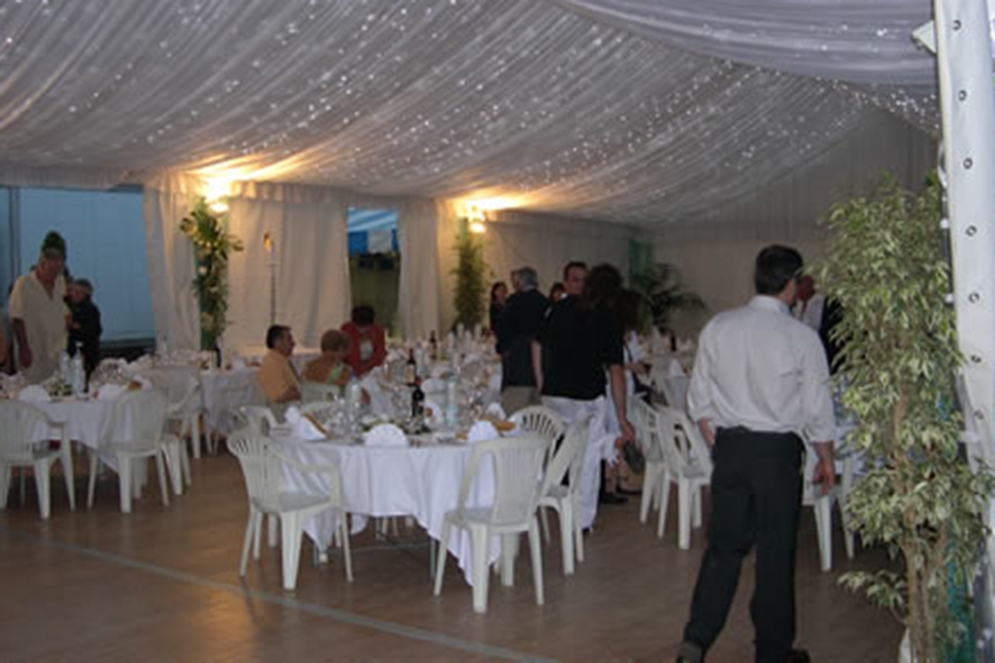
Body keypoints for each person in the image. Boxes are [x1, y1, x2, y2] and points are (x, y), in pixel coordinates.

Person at [677, 245, 835, 663]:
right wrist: (826, 456)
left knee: (723, 550)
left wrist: (714, 432)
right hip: (777, 453)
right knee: (775, 555)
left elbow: (698, 397)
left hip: (731, 449)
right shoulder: (801, 336)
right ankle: (772, 651)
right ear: (794, 284)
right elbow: (817, 406)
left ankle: (695, 641)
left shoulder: (720, 326)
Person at [533, 261, 635, 528]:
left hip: (554, 394)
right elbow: (615, 372)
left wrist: (541, 379)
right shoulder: (608, 318)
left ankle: (547, 505)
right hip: (586, 397)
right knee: (587, 459)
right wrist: (622, 418)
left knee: (558, 454)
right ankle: (581, 520)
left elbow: (537, 342)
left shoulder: (558, 308)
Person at [9, 233, 71, 383]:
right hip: (33, 351)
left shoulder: (60, 282)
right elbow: (16, 318)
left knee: (58, 391)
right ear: (42, 263)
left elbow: (63, 308)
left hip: (56, 351)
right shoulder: (23, 284)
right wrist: (24, 348)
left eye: (59, 267)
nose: (55, 273)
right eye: (52, 268)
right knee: (33, 394)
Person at [496, 266, 548, 415]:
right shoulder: (545, 302)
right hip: (541, 366)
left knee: (514, 415)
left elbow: (502, 331)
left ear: (519, 283)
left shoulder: (513, 302)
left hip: (516, 366)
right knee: (538, 415)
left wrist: (501, 350)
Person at [257, 324, 301, 404]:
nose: (293, 343)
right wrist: (302, 392)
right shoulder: (272, 363)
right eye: (289, 339)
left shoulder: (282, 360)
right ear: (277, 342)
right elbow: (281, 397)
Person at [67, 278, 102, 377]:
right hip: (73, 350)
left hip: (87, 352)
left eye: (78, 293)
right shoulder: (70, 307)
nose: (74, 295)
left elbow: (95, 330)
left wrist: (76, 326)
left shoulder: (90, 309)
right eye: (73, 292)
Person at [341, 305, 386, 377]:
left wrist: (366, 368)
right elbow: (343, 353)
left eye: (365, 327)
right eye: (358, 326)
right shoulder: (346, 330)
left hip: (371, 369)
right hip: (350, 369)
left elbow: (379, 353)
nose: (361, 330)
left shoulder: (378, 330)